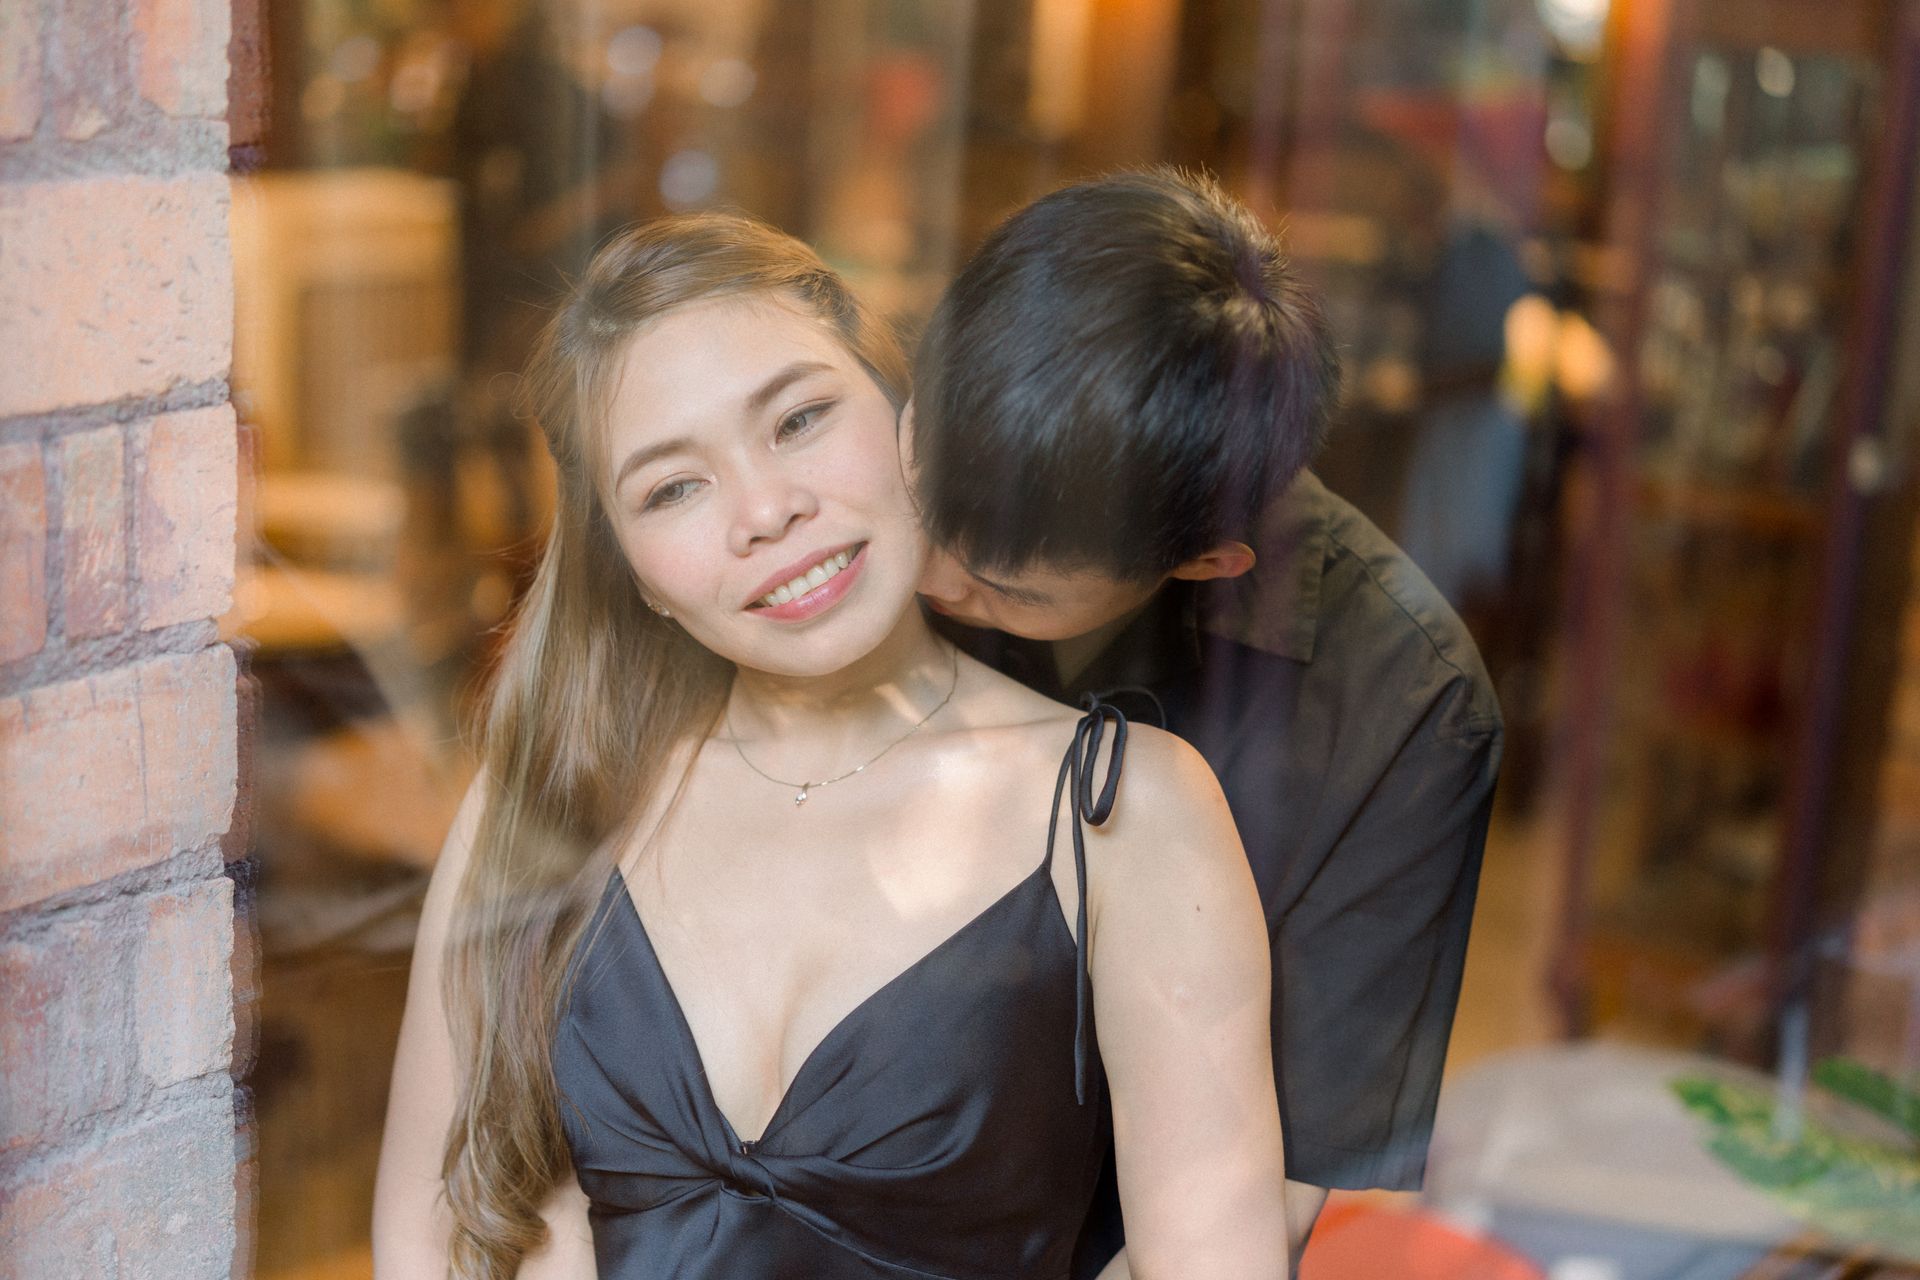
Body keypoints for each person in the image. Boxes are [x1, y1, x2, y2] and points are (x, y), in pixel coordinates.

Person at [371, 213, 1289, 1279]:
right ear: (632, 572)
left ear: (910, 416)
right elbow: (443, 1233)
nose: (767, 511)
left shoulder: (1124, 807)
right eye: (672, 487)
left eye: (800, 419)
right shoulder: (549, 796)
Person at [908, 170, 1504, 1275]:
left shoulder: (1399, 702)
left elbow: (1272, 1187)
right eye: (920, 500)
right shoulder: (842, 485)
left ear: (1205, 563)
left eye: (1004, 588)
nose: (927, 580)